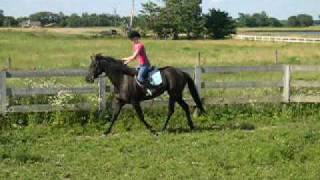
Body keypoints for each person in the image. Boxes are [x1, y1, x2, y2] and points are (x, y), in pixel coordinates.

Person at [123, 31, 153, 96]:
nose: (132, 40)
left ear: (136, 38)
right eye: (131, 39)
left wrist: (126, 60)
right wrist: (125, 61)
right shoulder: (135, 46)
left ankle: (148, 90)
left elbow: (134, 57)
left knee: (139, 77)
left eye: (132, 39)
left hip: (145, 65)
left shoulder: (140, 45)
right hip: (141, 65)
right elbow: (133, 57)